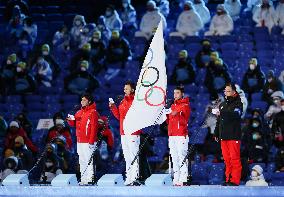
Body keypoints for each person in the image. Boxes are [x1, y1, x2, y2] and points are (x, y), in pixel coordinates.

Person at [109, 81, 142, 186]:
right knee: (127, 156)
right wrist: (113, 107)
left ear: (132, 90)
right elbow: (119, 117)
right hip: (123, 132)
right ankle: (129, 178)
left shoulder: (136, 101)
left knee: (133, 155)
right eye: (124, 88)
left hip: (133, 132)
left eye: (127, 88)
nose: (124, 90)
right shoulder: (123, 101)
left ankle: (135, 178)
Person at [214, 83, 243, 186]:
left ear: (234, 92)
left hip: (233, 135)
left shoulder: (238, 103)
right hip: (224, 136)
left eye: (228, 91)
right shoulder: (222, 105)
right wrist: (216, 132)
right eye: (225, 91)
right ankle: (228, 179)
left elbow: (235, 115)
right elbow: (219, 121)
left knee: (234, 159)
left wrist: (222, 114)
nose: (226, 93)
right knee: (226, 159)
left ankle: (234, 180)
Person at [67, 93, 98, 185]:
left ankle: (90, 179)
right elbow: (73, 125)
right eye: (81, 100)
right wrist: (70, 120)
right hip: (80, 141)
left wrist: (91, 141)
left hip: (89, 141)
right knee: (82, 160)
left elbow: (94, 127)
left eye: (84, 100)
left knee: (89, 160)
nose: (82, 101)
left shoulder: (93, 112)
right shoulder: (78, 112)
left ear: (89, 101)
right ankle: (84, 179)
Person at [167, 86, 191, 186]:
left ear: (182, 94)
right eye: (174, 93)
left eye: (177, 93)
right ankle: (176, 178)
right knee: (174, 157)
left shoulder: (185, 105)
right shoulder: (172, 106)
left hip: (181, 135)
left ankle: (184, 178)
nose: (175, 95)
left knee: (182, 156)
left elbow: (184, 114)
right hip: (172, 135)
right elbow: (168, 121)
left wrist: (177, 112)